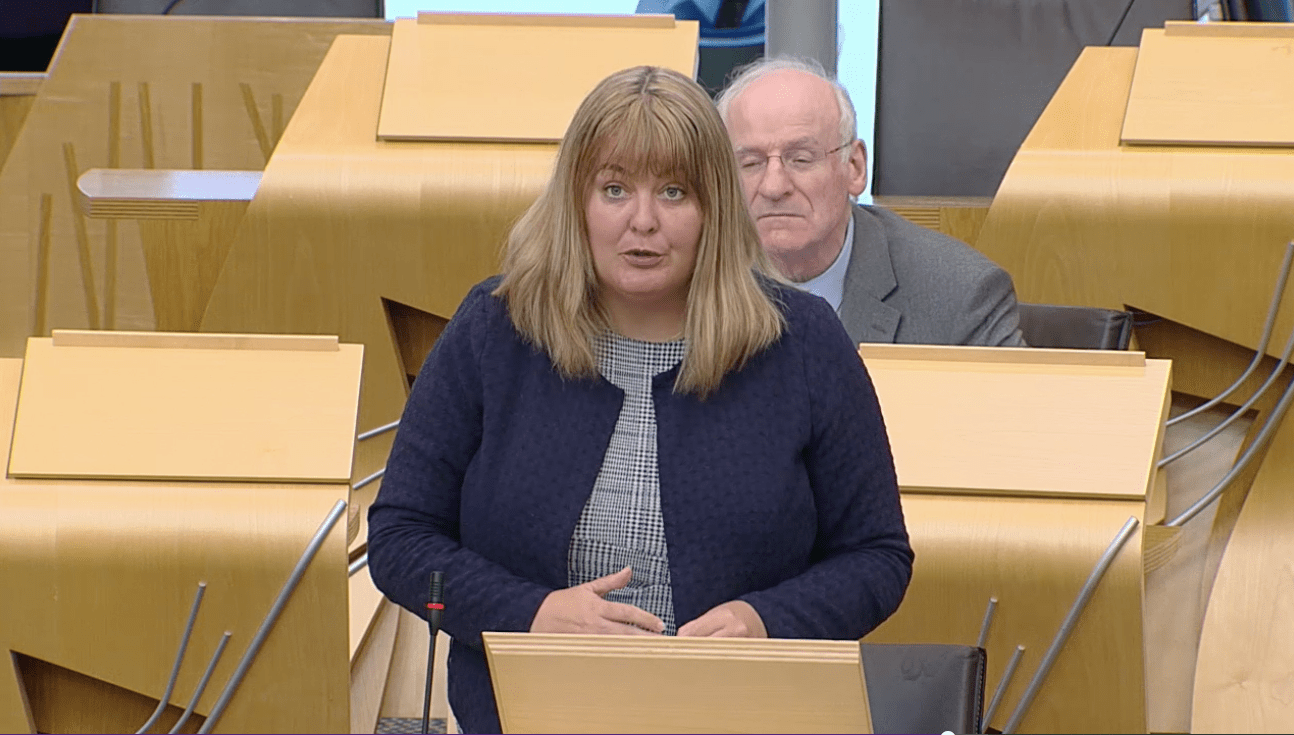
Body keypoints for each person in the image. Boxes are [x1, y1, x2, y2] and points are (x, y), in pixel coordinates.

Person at [367, 65, 913, 734]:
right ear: (577, 201)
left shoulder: (803, 342)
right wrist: (528, 614)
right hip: (528, 715)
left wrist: (768, 620)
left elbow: (877, 556)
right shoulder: (495, 327)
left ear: (714, 205)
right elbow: (398, 540)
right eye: (615, 189)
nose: (644, 222)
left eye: (675, 192)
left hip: (748, 715)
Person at [715, 57, 1027, 347]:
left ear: (855, 168)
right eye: (750, 163)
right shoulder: (684, 281)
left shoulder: (960, 296)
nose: (773, 186)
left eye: (800, 159)